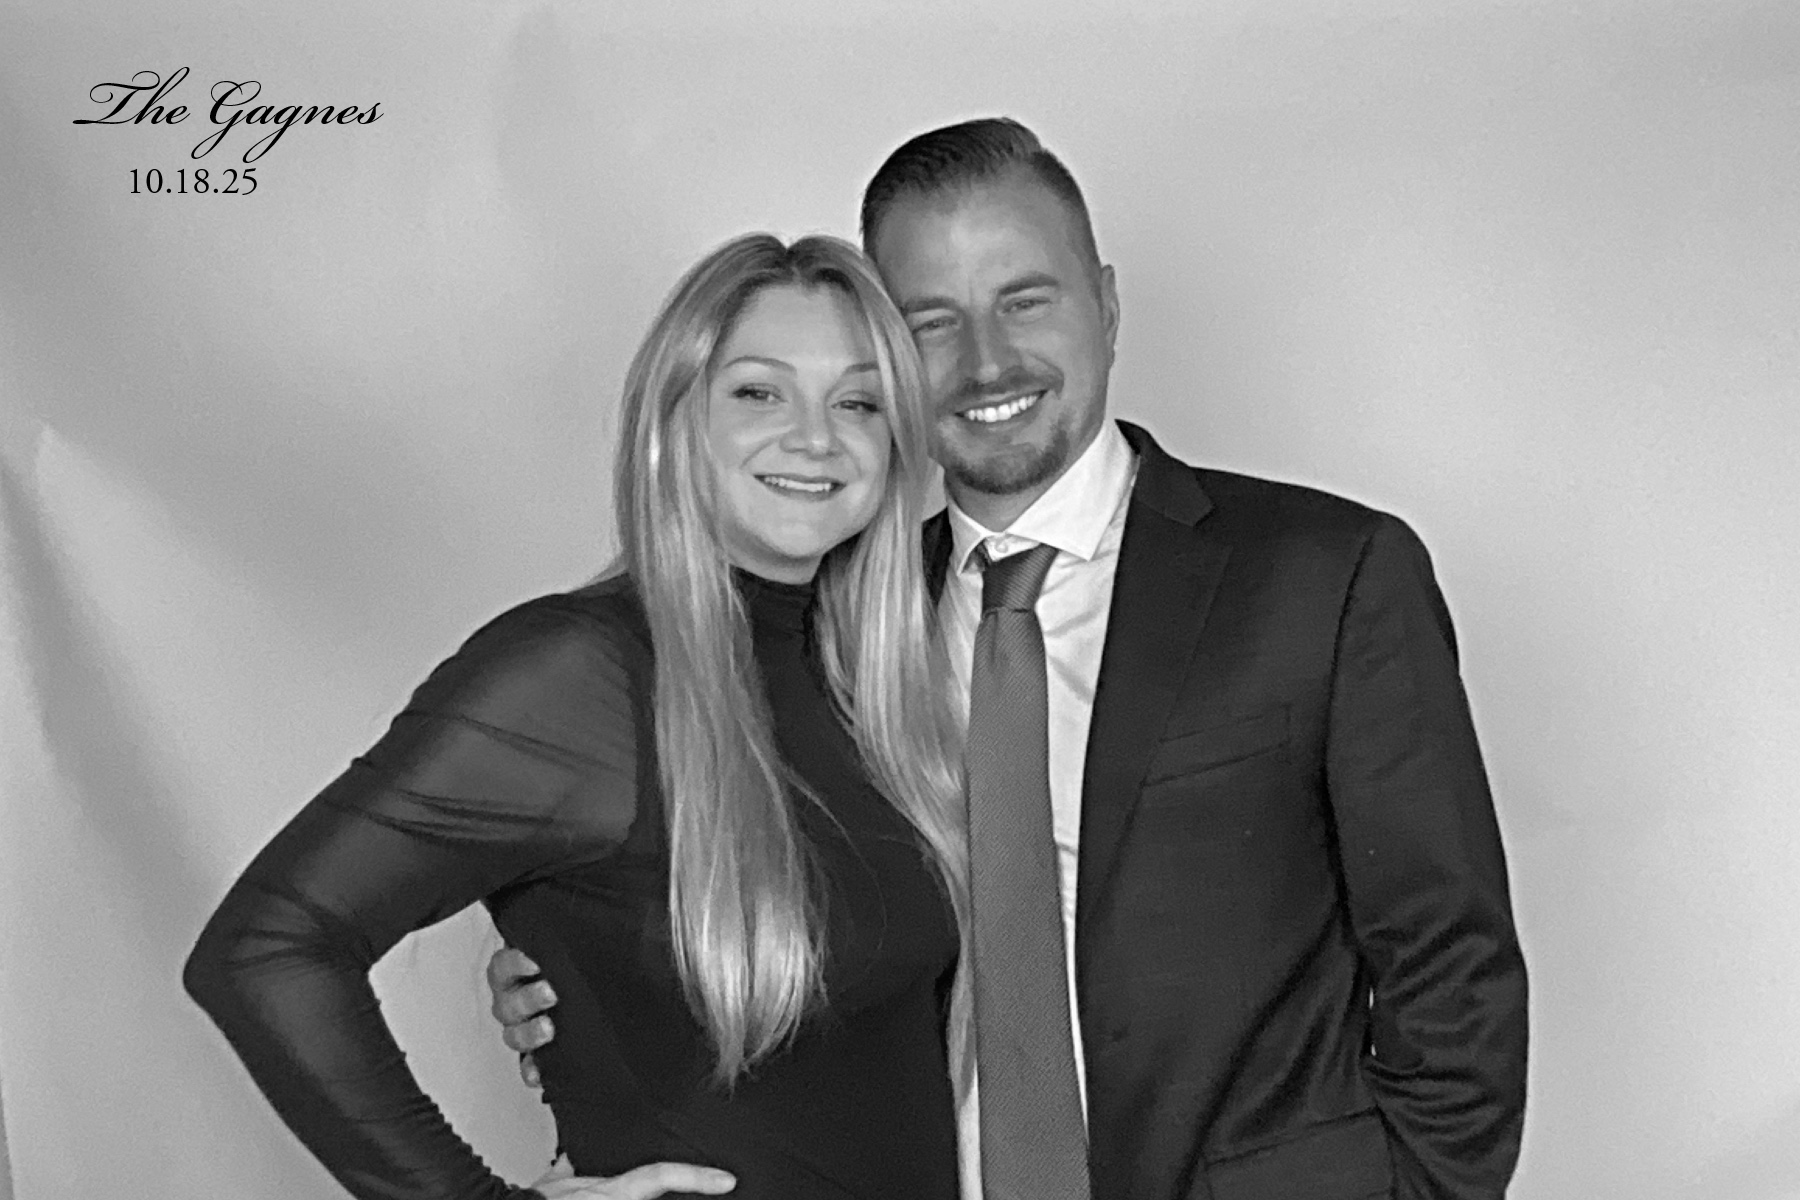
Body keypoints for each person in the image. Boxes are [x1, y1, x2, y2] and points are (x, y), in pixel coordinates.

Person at [494, 118, 1529, 1200]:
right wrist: (577, 968)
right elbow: (736, 887)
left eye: (1026, 301)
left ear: (1107, 305)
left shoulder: (1326, 577)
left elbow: (1451, 961)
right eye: (930, 321)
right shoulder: (829, 626)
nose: (987, 361)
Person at [183, 233, 974, 1200]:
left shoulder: (880, 684)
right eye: (759, 393)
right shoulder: (579, 675)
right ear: (674, 420)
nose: (816, 437)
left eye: (858, 402)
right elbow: (269, 947)